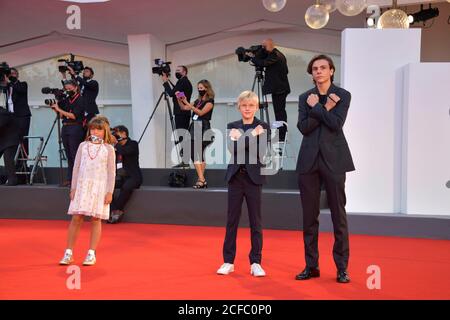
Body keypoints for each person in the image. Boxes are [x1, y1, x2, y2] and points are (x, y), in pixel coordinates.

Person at [295, 55, 355, 284]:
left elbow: (336, 124)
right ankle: (312, 266)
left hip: (335, 160)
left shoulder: (342, 95)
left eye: (323, 68)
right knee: (309, 217)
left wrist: (319, 109)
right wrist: (324, 108)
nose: (318, 71)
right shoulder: (304, 98)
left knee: (339, 215)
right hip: (309, 161)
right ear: (312, 74)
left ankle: (342, 268)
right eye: (315, 69)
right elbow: (304, 128)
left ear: (331, 71)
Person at [217, 91, 270, 277]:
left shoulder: (263, 126)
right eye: (244, 105)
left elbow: (260, 151)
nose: (247, 108)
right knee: (231, 220)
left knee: (256, 221)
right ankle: (228, 261)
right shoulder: (231, 126)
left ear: (256, 107)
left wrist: (242, 139)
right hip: (235, 178)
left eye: (251, 105)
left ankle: (256, 262)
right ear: (239, 107)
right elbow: (233, 149)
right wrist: (252, 135)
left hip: (254, 179)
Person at [59, 116, 116, 266]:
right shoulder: (82, 146)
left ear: (105, 131)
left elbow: (111, 172)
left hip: (100, 188)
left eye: (99, 129)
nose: (95, 132)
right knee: (76, 218)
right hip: (82, 187)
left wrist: (109, 191)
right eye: (93, 128)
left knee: (96, 219)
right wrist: (73, 188)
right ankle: (68, 252)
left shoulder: (109, 149)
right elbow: (76, 168)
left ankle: (91, 253)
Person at [250, 38, 290, 142]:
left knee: (279, 112)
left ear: (269, 45)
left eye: (264, 46)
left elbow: (264, 63)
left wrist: (253, 58)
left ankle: (281, 135)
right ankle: (280, 133)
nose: (263, 49)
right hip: (280, 88)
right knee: (279, 111)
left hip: (280, 89)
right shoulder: (277, 54)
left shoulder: (275, 55)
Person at [177, 79, 215, 189]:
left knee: (196, 153)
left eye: (201, 88)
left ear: (207, 89)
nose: (200, 90)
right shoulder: (197, 101)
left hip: (203, 127)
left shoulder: (210, 101)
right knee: (198, 153)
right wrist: (180, 100)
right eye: (198, 88)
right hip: (194, 126)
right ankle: (201, 180)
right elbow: (184, 108)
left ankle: (201, 179)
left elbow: (201, 112)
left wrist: (188, 103)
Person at [50, 80, 86, 186]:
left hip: (75, 127)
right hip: (65, 127)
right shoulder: (66, 100)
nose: (68, 91)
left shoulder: (80, 99)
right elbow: (61, 116)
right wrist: (55, 108)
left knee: (75, 154)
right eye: (66, 89)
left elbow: (74, 116)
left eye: (70, 88)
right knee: (68, 155)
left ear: (75, 88)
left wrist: (59, 110)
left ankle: (78, 179)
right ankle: (70, 178)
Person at [0, 68, 31, 185]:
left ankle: (22, 164)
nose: (11, 76)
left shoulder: (22, 84)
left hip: (22, 116)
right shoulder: (7, 86)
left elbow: (19, 89)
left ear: (17, 75)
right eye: (10, 74)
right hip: (11, 116)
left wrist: (10, 81)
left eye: (14, 74)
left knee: (22, 139)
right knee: (10, 140)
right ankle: (12, 167)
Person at [108, 125, 143, 224]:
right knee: (106, 187)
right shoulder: (114, 147)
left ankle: (115, 211)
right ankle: (116, 210)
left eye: (117, 133)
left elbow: (124, 151)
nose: (114, 135)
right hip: (119, 177)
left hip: (133, 176)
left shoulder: (133, 144)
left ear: (124, 133)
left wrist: (115, 142)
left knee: (126, 187)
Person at [162, 66, 193, 166]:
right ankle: (184, 160)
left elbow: (172, 93)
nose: (176, 72)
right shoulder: (184, 82)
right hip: (182, 112)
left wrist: (165, 81)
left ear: (185, 72)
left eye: (178, 71)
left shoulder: (183, 82)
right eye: (176, 71)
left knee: (181, 135)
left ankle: (185, 160)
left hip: (182, 113)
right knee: (181, 135)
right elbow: (178, 94)